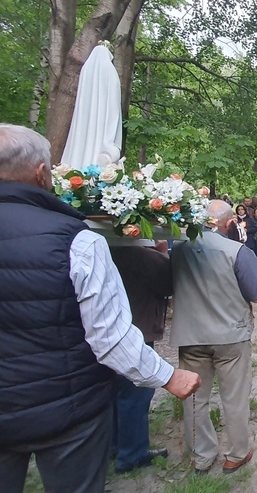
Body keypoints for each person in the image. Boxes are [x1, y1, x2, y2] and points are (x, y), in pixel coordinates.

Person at [0, 124, 200, 493]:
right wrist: (168, 376)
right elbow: (108, 336)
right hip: (64, 406)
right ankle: (128, 450)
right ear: (44, 174)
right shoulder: (77, 240)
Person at [170, 200, 257, 474]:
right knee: (234, 396)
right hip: (231, 335)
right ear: (229, 224)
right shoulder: (238, 251)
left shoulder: (177, 249)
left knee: (194, 398)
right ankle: (236, 454)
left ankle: (202, 455)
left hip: (191, 335)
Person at [109, 241, 173, 473]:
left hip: (104, 332)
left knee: (112, 392)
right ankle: (132, 453)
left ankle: (113, 444)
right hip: (137, 331)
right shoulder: (142, 256)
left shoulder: (100, 248)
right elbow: (169, 283)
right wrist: (163, 254)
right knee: (136, 391)